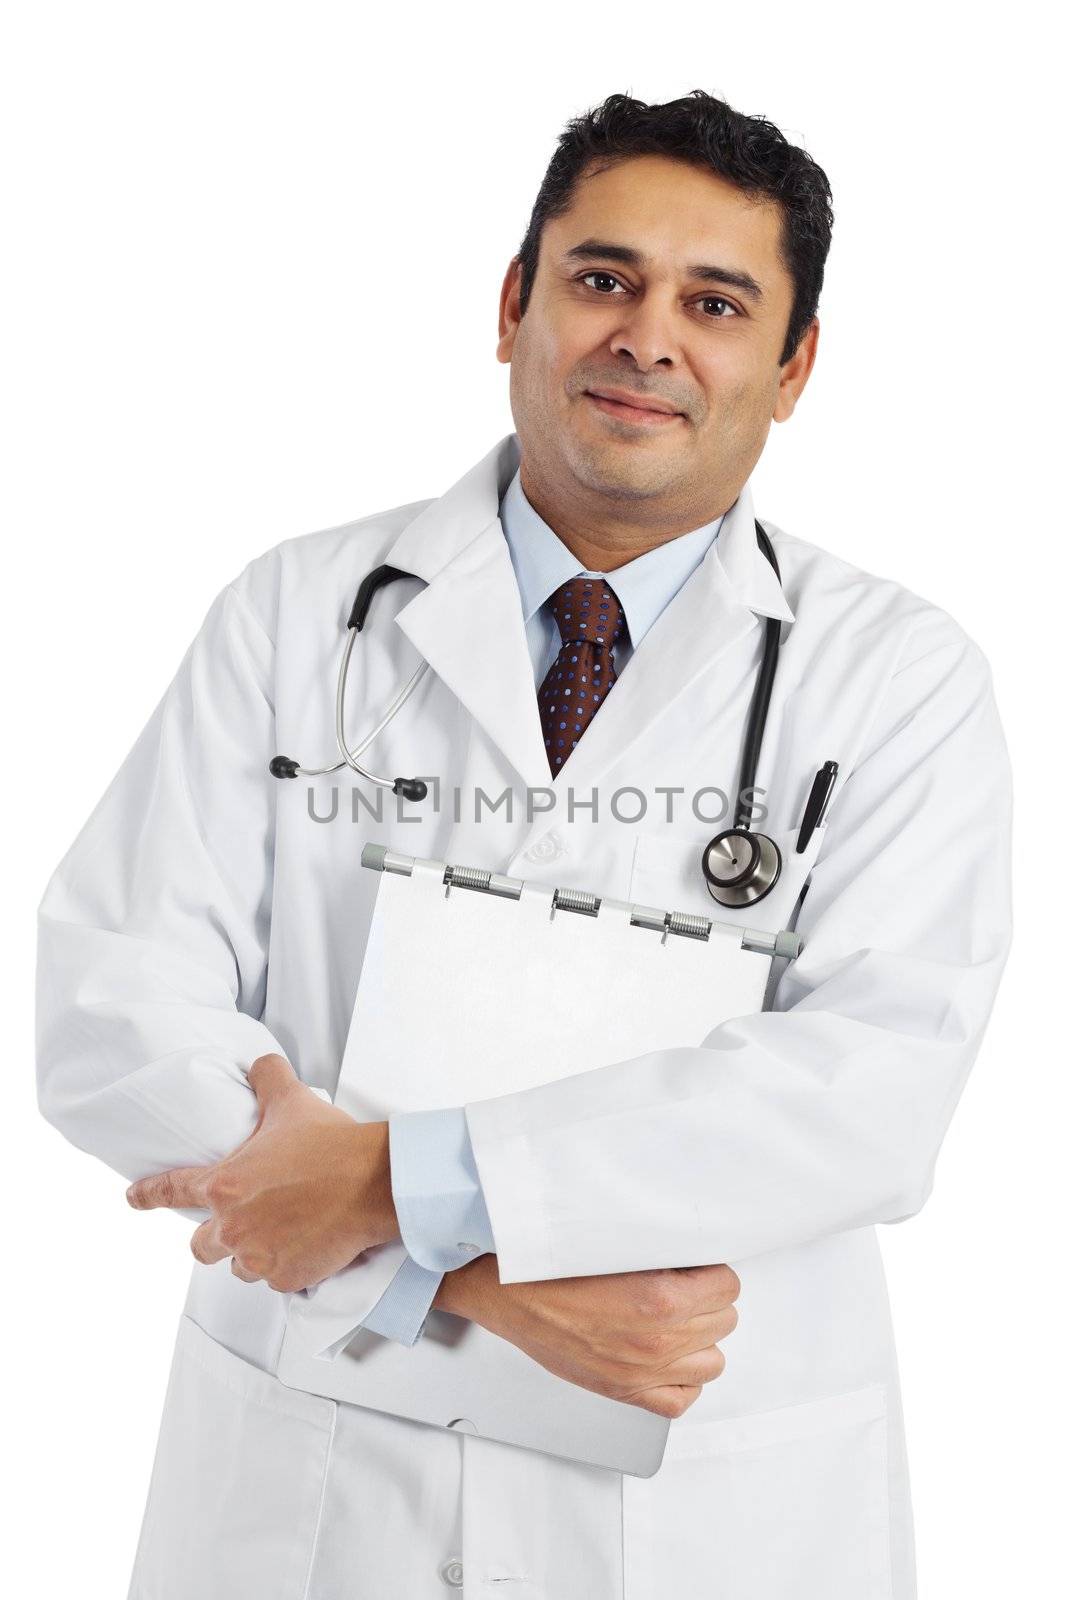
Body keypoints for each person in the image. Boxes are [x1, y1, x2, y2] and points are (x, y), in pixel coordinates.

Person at [36, 89, 1012, 1599]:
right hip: (318, 1483)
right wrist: (472, 1276)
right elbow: (111, 1003)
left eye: (716, 303)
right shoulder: (297, 613)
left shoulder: (896, 678)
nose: (647, 337)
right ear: (515, 304)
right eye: (603, 279)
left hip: (706, 1503)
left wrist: (389, 1193)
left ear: (794, 365)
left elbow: (867, 1091)